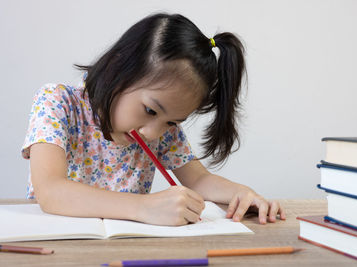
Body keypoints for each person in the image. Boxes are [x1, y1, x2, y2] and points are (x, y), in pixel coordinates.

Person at [22, 13, 286, 226]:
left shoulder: (162, 128)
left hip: (131, 247)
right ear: (117, 67)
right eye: (150, 110)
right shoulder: (58, 102)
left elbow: (198, 180)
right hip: (57, 245)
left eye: (172, 122)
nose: (153, 132)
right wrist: (144, 207)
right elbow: (51, 191)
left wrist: (241, 194)